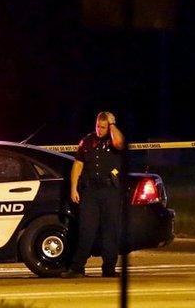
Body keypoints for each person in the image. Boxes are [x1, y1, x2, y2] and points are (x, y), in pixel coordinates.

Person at [61, 111, 125, 278]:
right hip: (90, 192)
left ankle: (109, 268)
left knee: (110, 230)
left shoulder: (113, 139)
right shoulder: (87, 141)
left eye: (103, 127)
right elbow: (78, 165)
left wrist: (112, 125)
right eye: (98, 126)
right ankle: (77, 268)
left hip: (110, 191)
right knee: (86, 230)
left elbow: (119, 143)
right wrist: (73, 188)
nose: (100, 130)